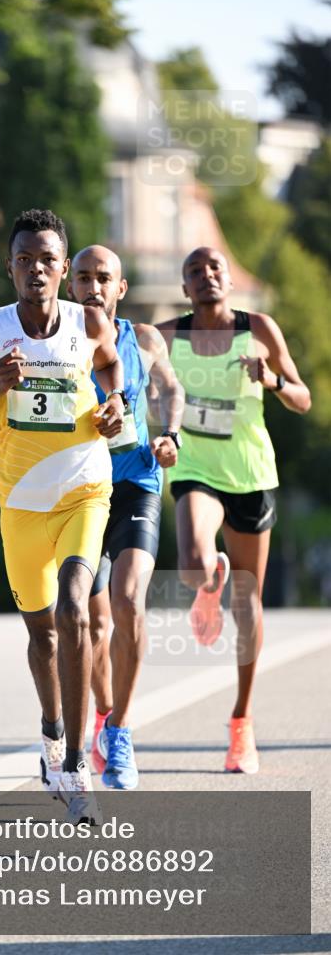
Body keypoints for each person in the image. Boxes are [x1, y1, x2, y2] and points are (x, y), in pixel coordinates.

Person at [0, 209, 125, 823]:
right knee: (42, 635)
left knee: (76, 610)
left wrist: (116, 402)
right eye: (25, 260)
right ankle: (51, 733)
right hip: (20, 502)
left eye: (48, 260)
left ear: (63, 268)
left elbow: (109, 366)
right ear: (10, 267)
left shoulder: (88, 320)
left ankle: (76, 765)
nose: (37, 270)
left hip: (84, 491)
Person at [157, 246, 311, 773]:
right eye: (194, 272)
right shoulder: (167, 336)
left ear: (228, 278)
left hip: (250, 474)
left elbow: (303, 398)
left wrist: (270, 379)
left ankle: (242, 721)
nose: (206, 276)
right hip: (196, 468)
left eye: (215, 268)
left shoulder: (259, 329)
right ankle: (208, 582)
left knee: (248, 605)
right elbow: (117, 352)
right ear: (184, 288)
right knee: (191, 563)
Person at [68, 245, 184, 790]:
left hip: (137, 482)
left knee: (129, 599)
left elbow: (171, 389)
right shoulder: (56, 341)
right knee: (93, 624)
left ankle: (120, 731)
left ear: (121, 287)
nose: (92, 286)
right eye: (83, 277)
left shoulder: (144, 339)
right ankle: (103, 713)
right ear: (70, 285)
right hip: (79, 491)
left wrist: (170, 435)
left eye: (103, 278)